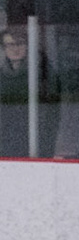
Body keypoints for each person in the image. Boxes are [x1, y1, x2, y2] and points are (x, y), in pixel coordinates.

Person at [0, 26, 54, 158]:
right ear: (4, 48)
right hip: (5, 140)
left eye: (19, 43)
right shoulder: (2, 75)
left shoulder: (42, 72)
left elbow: (50, 112)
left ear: (28, 46)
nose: (15, 49)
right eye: (9, 45)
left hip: (34, 139)